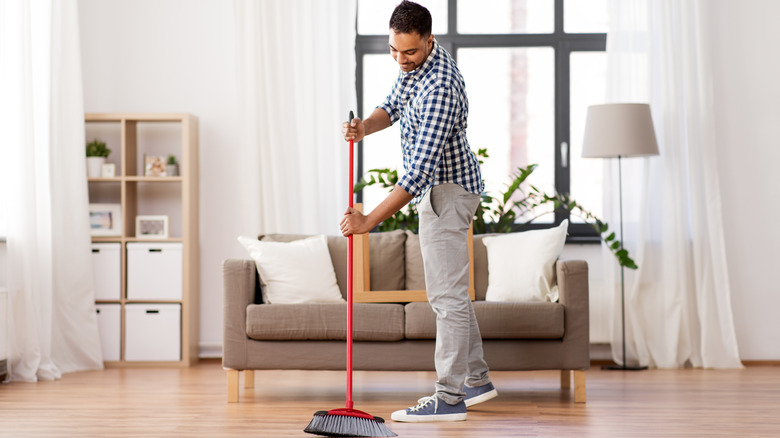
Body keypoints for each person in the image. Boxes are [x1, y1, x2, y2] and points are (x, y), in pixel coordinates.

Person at [340, 0, 497, 423]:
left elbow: (417, 173)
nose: (400, 59)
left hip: (446, 191)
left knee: (446, 298)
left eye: (408, 52)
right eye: (393, 49)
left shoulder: (441, 87)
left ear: (429, 40)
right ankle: (478, 380)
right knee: (452, 295)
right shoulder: (415, 65)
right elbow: (391, 105)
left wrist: (367, 223)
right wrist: (364, 128)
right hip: (439, 188)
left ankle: (449, 398)